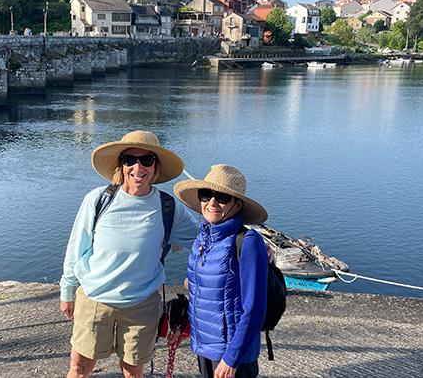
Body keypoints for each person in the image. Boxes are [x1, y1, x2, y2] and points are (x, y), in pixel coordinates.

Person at [60, 130, 198, 378]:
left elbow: (203, 240)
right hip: (94, 299)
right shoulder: (99, 199)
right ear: (120, 165)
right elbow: (76, 247)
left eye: (146, 160)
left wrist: (247, 242)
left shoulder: (168, 207)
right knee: (79, 368)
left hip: (141, 305)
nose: (138, 167)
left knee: (134, 372)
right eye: (130, 160)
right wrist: (67, 290)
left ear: (155, 166)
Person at [174, 164, 269, 378]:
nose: (212, 203)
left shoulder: (248, 242)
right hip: (204, 347)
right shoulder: (204, 237)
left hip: (232, 356)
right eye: (206, 195)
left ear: (237, 204)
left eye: (223, 197)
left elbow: (254, 308)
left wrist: (231, 358)